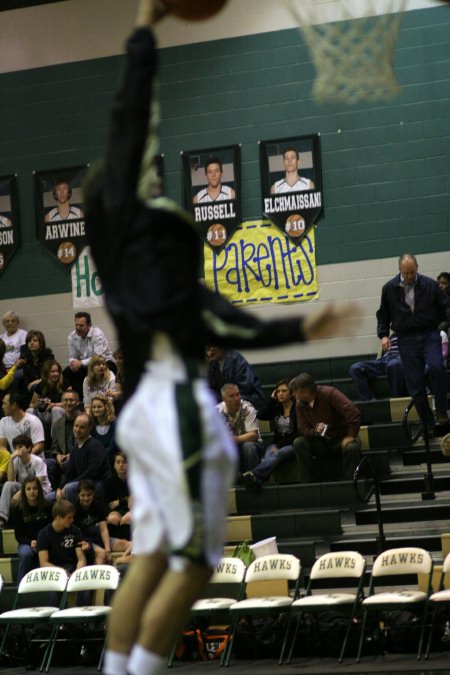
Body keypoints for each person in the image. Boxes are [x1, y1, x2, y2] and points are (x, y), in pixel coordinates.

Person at [83, 2, 358, 674]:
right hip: (175, 409)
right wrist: (146, 35)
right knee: (197, 559)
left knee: (152, 559)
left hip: (142, 411)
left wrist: (146, 32)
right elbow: (130, 120)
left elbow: (230, 321)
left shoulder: (131, 265)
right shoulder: (149, 242)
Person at [376, 254, 450, 430]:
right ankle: (427, 422)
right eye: (406, 273)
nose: (409, 276)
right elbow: (383, 315)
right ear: (399, 270)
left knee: (436, 367)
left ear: (417, 267)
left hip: (429, 333)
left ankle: (441, 409)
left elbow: (446, 307)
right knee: (415, 384)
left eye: (412, 272)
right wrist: (384, 335)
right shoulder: (389, 288)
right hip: (406, 338)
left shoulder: (430, 285)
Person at [291, 373, 361, 483]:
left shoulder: (329, 393)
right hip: (320, 440)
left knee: (352, 447)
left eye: (296, 392)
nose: (294, 395)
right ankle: (307, 483)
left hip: (340, 437)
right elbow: (302, 427)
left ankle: (350, 485)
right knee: (299, 443)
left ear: (306, 392)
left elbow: (352, 411)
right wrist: (314, 432)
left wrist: (351, 435)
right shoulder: (299, 404)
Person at [243, 379, 298, 491]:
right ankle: (257, 481)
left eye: (284, 391)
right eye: (278, 391)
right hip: (276, 444)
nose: (280, 394)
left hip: (292, 444)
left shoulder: (298, 408)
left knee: (276, 455)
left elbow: (299, 432)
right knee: (268, 457)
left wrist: (280, 446)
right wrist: (272, 400)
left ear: (291, 393)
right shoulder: (276, 408)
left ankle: (253, 474)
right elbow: (261, 415)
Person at [53, 413, 111, 504]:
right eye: (76, 426)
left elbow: (91, 473)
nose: (77, 430)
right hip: (80, 483)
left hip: (96, 484)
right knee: (48, 498)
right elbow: (69, 473)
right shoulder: (75, 449)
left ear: (89, 428)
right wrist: (59, 488)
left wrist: (68, 485)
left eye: (82, 427)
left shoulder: (95, 446)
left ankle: (71, 516)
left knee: (69, 489)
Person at [0, 433, 51, 529]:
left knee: (32, 488)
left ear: (28, 448)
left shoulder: (38, 461)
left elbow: (38, 483)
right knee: (7, 485)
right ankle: (1, 519)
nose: (17, 450)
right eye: (15, 448)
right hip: (25, 489)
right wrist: (11, 459)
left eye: (20, 447)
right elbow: (11, 481)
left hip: (41, 490)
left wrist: (20, 492)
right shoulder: (16, 461)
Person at [74, 479, 128, 565]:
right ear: (78, 495)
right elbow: (76, 535)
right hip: (87, 542)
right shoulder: (74, 509)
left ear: (93, 493)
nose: (86, 498)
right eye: (83, 495)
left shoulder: (98, 505)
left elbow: (104, 530)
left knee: (127, 544)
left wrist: (108, 549)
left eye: (89, 495)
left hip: (100, 537)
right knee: (101, 554)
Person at [10, 476, 52, 582]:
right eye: (28, 489)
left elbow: (51, 529)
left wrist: (42, 542)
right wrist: (30, 542)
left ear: (39, 490)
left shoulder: (48, 506)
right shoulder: (17, 510)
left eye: (35, 488)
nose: (32, 492)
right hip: (27, 543)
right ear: (24, 491)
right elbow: (18, 535)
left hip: (45, 542)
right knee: (26, 554)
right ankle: (21, 588)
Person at [64, 311, 114, 398]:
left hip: (103, 363)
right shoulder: (71, 337)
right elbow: (72, 356)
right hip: (84, 365)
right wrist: (73, 363)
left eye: (81, 325)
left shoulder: (98, 335)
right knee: (66, 372)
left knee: (99, 367)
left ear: (89, 325)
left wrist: (81, 363)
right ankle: (77, 399)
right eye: (76, 325)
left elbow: (98, 357)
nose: (78, 328)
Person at [215, 383, 262, 473]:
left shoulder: (247, 408)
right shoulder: (217, 411)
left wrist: (232, 439)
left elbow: (253, 435)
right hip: (229, 445)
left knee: (248, 447)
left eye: (237, 394)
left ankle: (252, 478)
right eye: (231, 396)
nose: (236, 398)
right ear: (224, 399)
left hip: (251, 444)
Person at [349, 332, 408, 401]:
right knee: (355, 368)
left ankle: (396, 403)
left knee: (393, 365)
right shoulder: (391, 334)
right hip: (385, 358)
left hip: (401, 358)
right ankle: (371, 403)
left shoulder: (416, 332)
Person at [37, 499, 86, 574]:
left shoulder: (75, 530)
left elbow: (81, 559)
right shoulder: (43, 534)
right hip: (53, 572)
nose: (72, 520)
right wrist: (63, 571)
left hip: (73, 569)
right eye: (69, 517)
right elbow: (44, 563)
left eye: (73, 517)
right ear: (58, 517)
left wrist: (77, 572)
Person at [47, 390, 80, 489]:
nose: (68, 403)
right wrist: (58, 456)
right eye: (65, 400)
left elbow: (87, 442)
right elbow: (54, 446)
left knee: (70, 462)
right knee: (45, 464)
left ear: (77, 402)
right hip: (62, 460)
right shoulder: (57, 423)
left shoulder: (84, 419)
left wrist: (71, 455)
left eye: (71, 400)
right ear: (62, 402)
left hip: (79, 457)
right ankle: (51, 490)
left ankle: (62, 489)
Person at [20, 329, 55, 394]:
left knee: (35, 386)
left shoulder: (48, 357)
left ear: (41, 343)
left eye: (35, 341)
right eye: (29, 341)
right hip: (30, 386)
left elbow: (50, 376)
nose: (31, 343)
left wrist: (35, 382)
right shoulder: (26, 358)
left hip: (46, 385)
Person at [105, 451, 131, 533]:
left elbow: (134, 502)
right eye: (118, 462)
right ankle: (115, 543)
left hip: (132, 509)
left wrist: (119, 502)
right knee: (111, 519)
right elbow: (110, 504)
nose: (121, 465)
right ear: (114, 465)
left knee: (126, 519)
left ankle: (128, 544)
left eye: (124, 462)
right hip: (118, 510)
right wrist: (126, 500)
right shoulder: (110, 480)